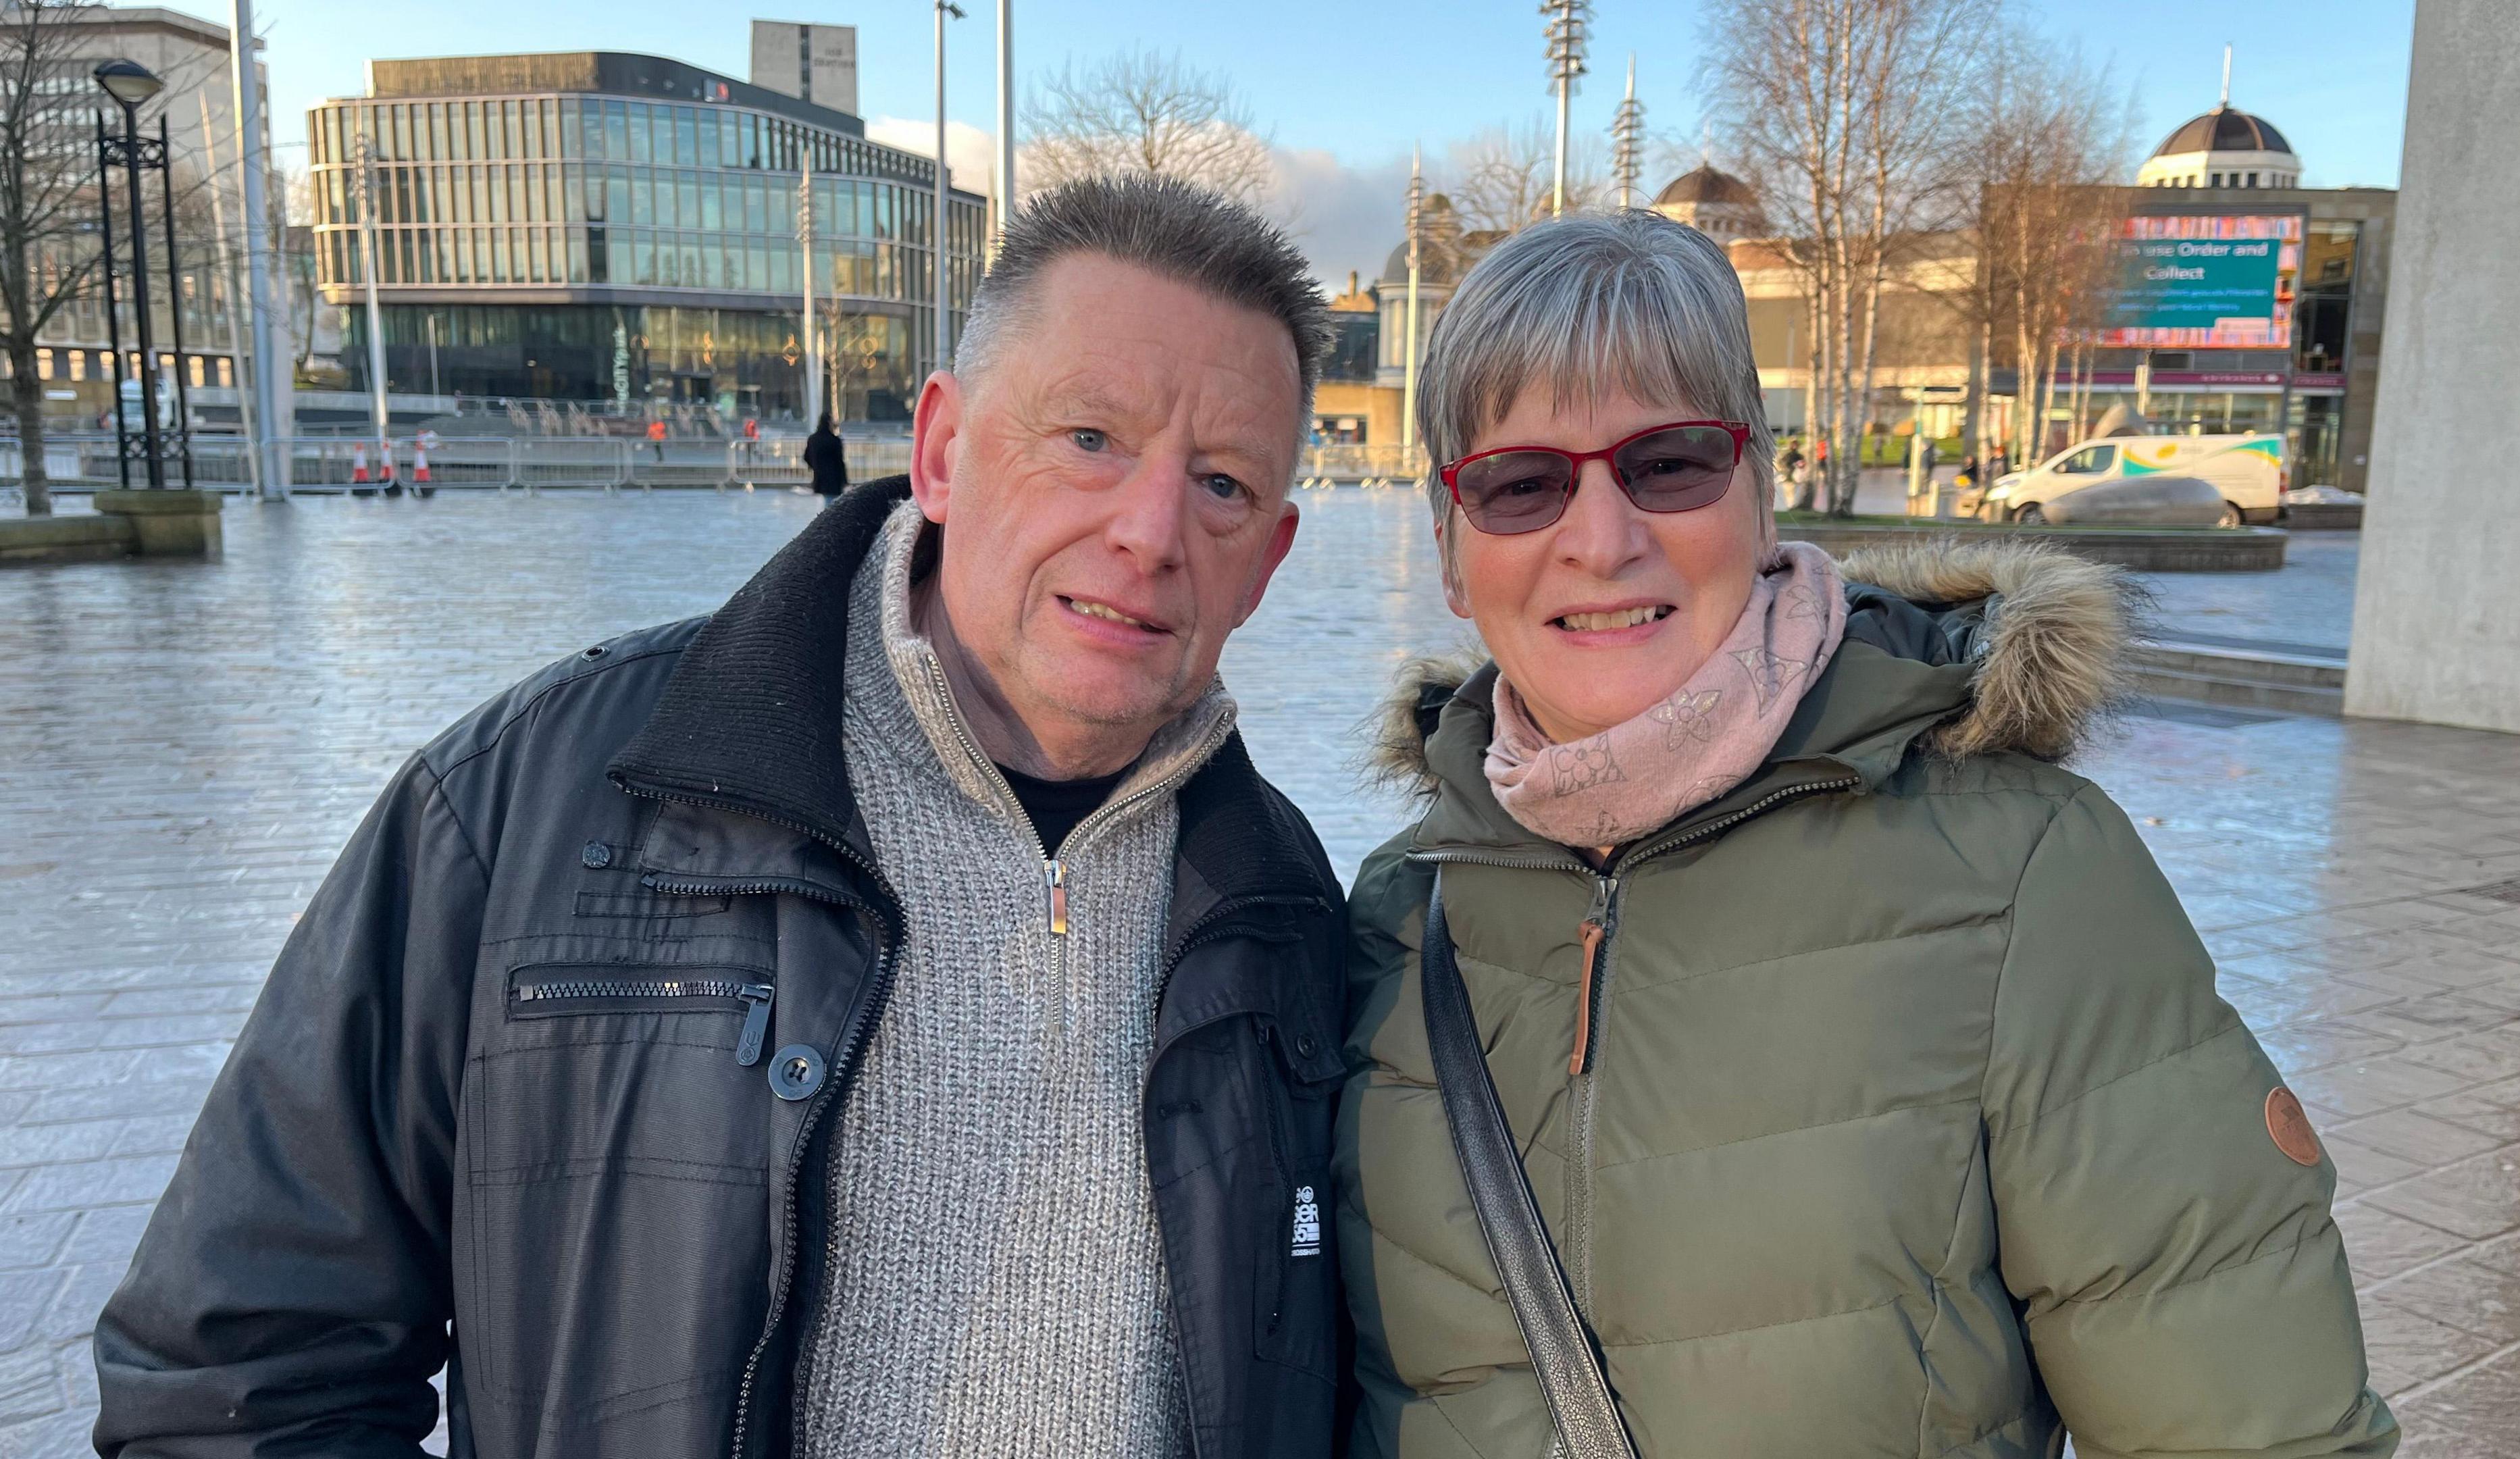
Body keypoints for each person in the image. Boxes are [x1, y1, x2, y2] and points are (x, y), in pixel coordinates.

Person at [95, 176, 1354, 1459]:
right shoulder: (528, 807)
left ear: (1271, 556)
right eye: (1089, 438)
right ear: (941, 451)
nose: (1150, 530)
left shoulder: (1288, 901)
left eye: (1222, 486)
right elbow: (237, 1378)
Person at [1337, 212, 2395, 1457]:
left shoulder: (2019, 876)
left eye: (1669, 462)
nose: (1601, 536)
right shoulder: (1405, 912)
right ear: (1452, 552)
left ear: (1762, 491)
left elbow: (2247, 1426)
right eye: (1520, 484)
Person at [804, 409, 849, 498]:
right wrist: (845, 480)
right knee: (833, 503)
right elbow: (840, 462)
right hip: (835, 479)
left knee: (825, 502)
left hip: (819, 478)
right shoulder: (835, 441)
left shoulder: (813, 439)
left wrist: (815, 466)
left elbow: (806, 457)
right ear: (829, 423)